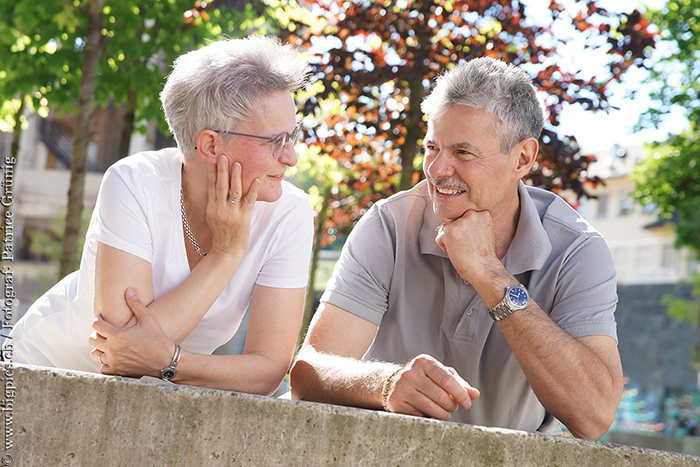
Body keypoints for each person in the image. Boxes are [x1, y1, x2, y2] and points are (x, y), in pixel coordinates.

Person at [289, 57, 623, 440]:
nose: (437, 169)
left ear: (523, 158)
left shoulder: (577, 250)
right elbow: (307, 374)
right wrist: (385, 383)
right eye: (433, 147)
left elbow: (594, 416)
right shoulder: (390, 224)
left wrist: (488, 273)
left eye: (463, 153)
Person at [9, 35, 314, 395]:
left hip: (159, 396)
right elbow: (121, 352)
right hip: (41, 374)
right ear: (211, 146)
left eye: (292, 136)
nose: (291, 157)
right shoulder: (135, 182)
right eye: (275, 141)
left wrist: (172, 361)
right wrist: (224, 255)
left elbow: (267, 371)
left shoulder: (289, 214)